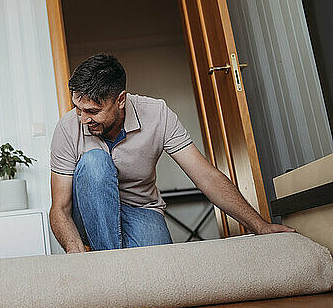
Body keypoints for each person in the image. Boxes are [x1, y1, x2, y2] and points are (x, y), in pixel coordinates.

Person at [49, 53, 294, 253]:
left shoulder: (157, 114)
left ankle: (108, 258)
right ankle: (110, 264)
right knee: (94, 162)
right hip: (88, 213)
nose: (82, 119)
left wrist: (259, 226)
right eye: (78, 109)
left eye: (92, 111)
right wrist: (74, 248)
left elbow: (206, 176)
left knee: (160, 268)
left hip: (139, 210)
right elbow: (60, 207)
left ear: (120, 100)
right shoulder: (68, 127)